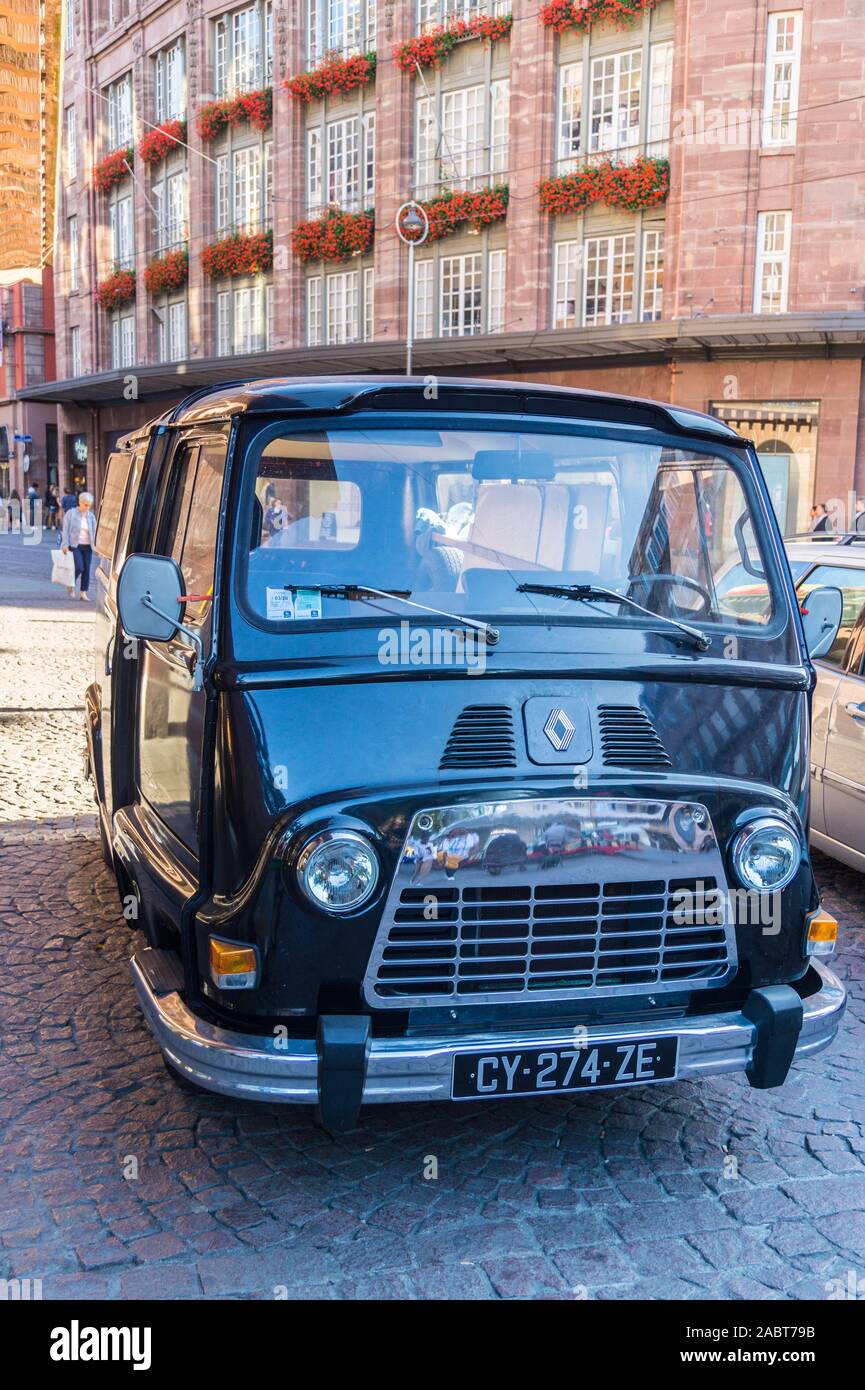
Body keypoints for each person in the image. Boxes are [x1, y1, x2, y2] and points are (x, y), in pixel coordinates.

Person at [61, 490, 96, 601]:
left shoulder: (91, 516)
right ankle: (71, 584)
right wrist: (65, 544)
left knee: (86, 570)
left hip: (88, 547)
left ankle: (83, 593)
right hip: (75, 545)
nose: (87, 507)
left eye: (89, 505)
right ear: (80, 503)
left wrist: (97, 546)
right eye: (86, 505)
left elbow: (95, 532)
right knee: (79, 567)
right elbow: (65, 530)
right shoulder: (71, 514)